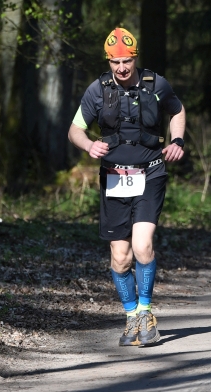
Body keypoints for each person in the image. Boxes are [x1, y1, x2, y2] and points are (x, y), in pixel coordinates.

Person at [68, 27, 186, 346]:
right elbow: (75, 130)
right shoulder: (97, 90)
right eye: (115, 62)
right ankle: (131, 315)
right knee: (120, 257)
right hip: (114, 178)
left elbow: (177, 110)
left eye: (126, 61)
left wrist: (177, 140)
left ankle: (146, 313)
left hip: (150, 173)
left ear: (135, 58)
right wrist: (88, 145)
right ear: (108, 61)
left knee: (142, 246)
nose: (121, 68)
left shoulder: (155, 84)